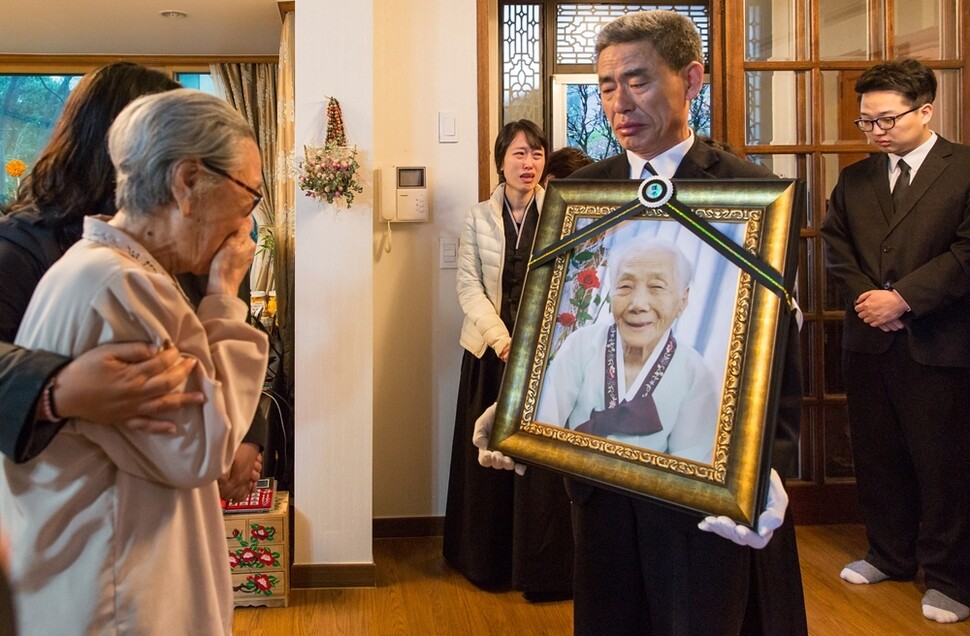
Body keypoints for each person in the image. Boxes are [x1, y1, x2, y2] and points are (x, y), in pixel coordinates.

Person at [476, 11, 806, 635]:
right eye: (606, 86)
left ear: (692, 78)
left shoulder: (751, 194)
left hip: (703, 485)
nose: (618, 103)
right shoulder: (578, 195)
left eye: (638, 81)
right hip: (598, 484)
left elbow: (776, 348)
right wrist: (522, 404)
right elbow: (561, 324)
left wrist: (770, 463)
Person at [0, 89, 269, 635]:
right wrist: (224, 296)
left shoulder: (109, 267)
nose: (247, 227)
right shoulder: (116, 285)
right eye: (249, 197)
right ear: (188, 182)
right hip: (118, 596)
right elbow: (202, 449)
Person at [820, 59, 970, 624]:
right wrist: (870, 301)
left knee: (944, 463)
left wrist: (903, 298)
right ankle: (889, 552)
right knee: (878, 454)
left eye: (886, 120)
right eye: (866, 122)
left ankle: (953, 578)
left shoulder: (965, 169)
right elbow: (836, 245)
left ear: (926, 110)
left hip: (940, 343)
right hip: (869, 341)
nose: (876, 132)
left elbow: (965, 253)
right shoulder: (857, 177)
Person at [443, 119, 574, 601]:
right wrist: (502, 341)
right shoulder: (478, 217)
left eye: (537, 154)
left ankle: (540, 570)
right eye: (519, 154)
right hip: (489, 352)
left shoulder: (559, 212)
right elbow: (469, 288)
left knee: (540, 467)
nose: (529, 163)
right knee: (488, 462)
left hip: (545, 355)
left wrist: (536, 343)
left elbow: (570, 279)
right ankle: (485, 563)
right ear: (500, 161)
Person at [536, 236, 719, 462]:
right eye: (625, 286)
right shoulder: (581, 344)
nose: (638, 304)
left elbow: (691, 466)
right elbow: (542, 419)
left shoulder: (696, 374)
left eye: (656, 287)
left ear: (683, 300)